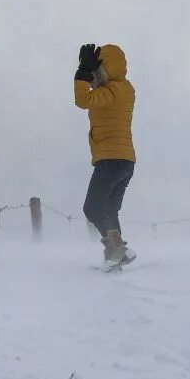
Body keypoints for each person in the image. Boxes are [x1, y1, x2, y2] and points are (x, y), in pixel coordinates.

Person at [74, 43, 136, 267]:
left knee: (92, 207)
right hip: (124, 161)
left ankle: (117, 250)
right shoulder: (124, 89)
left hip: (111, 159)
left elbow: (83, 100)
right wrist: (88, 73)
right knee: (109, 209)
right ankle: (116, 255)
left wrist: (81, 73)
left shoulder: (112, 90)